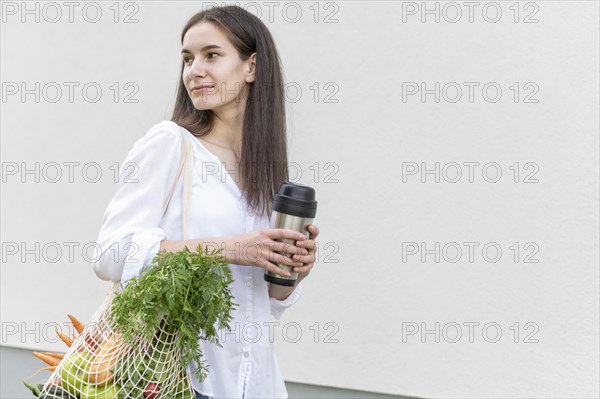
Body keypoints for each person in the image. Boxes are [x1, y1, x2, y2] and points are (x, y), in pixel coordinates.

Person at [93, 5, 320, 399]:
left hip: (257, 384)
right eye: (187, 58)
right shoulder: (171, 144)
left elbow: (263, 306)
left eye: (211, 55)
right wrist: (235, 249)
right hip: (183, 380)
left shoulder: (265, 172)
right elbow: (110, 255)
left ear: (251, 67)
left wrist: (294, 269)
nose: (194, 70)